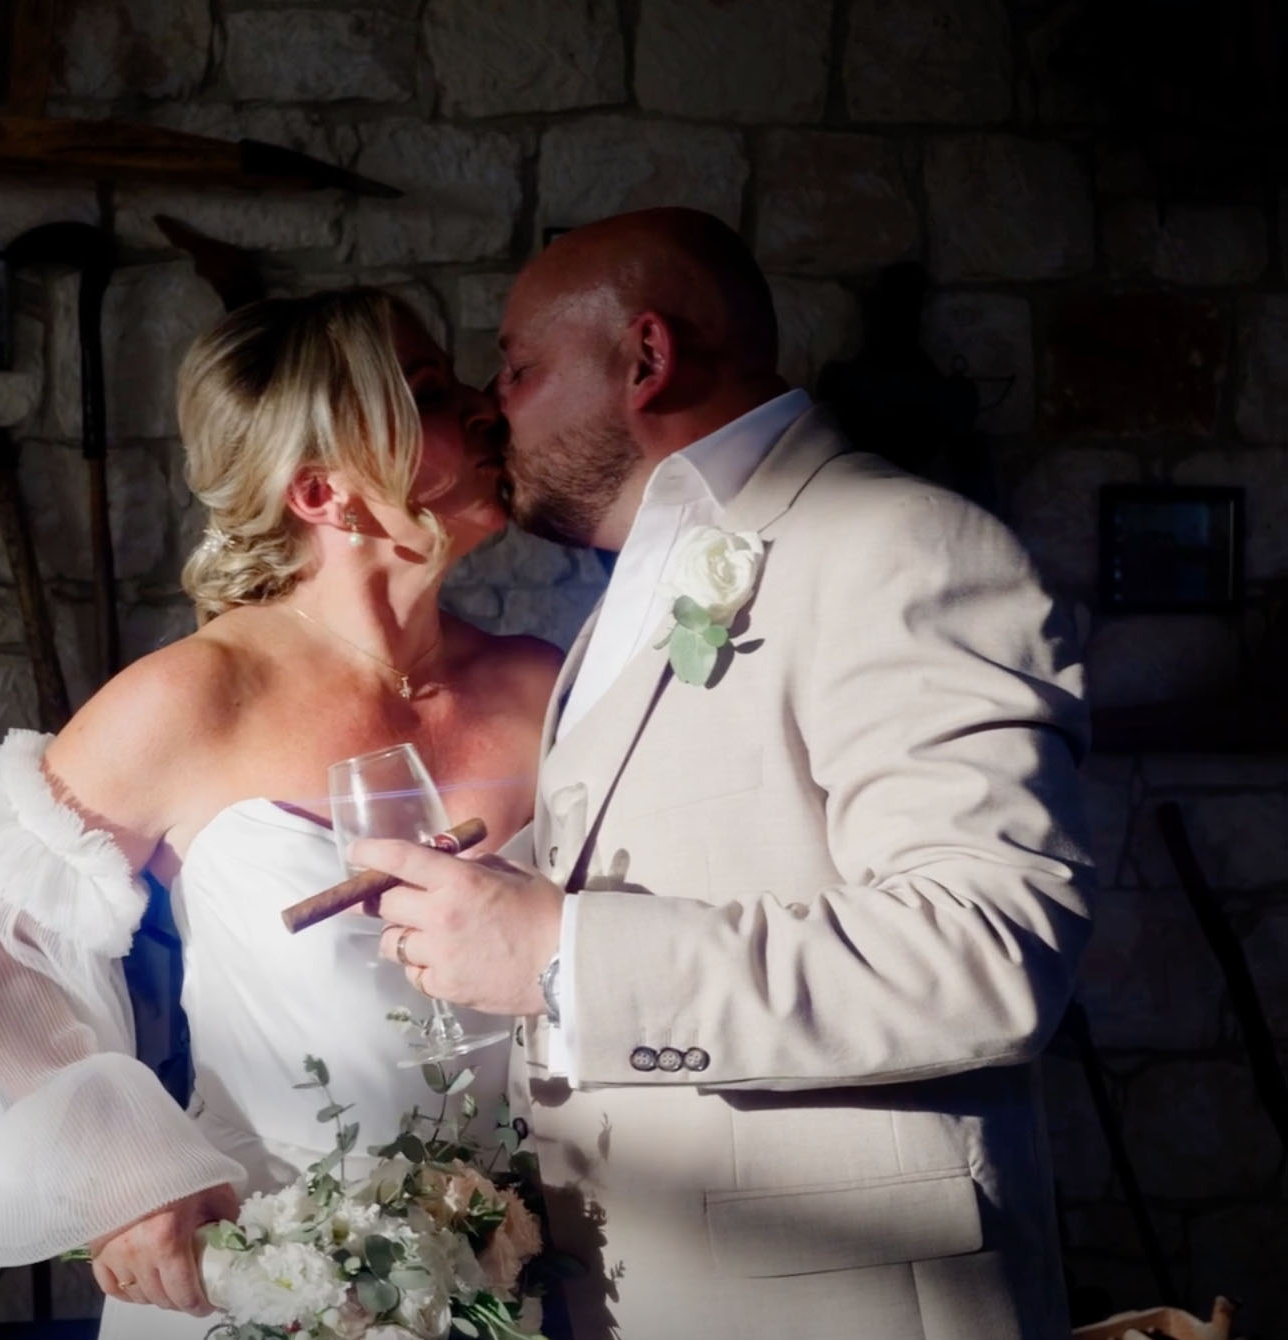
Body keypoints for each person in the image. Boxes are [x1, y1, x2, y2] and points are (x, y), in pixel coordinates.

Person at [357, 209, 1094, 1340]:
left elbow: (987, 945)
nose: (494, 402)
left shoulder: (897, 540)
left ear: (645, 359)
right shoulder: (625, 599)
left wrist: (561, 952)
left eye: (518, 366)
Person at [0, 288, 561, 1338]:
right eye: (426, 391)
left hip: (546, 1277)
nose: (481, 406)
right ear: (324, 489)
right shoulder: (192, 698)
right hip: (272, 1284)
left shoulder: (554, 686)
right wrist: (123, 1168)